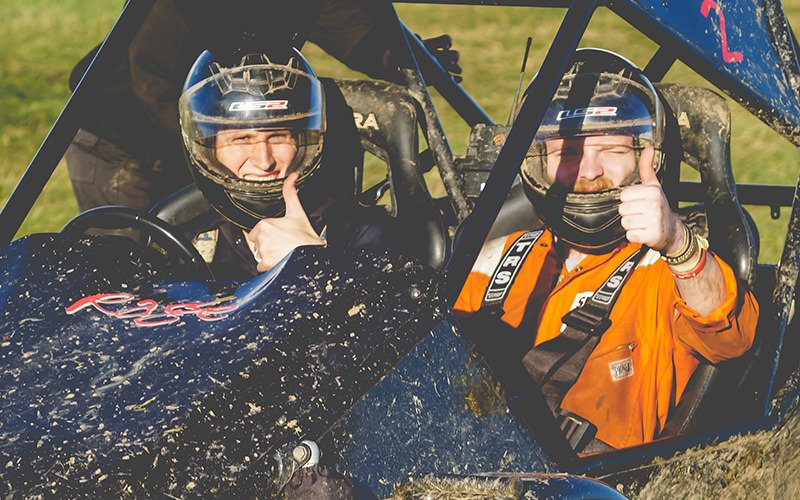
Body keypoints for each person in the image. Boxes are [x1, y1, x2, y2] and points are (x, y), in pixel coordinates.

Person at [453, 48, 759, 452]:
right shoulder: (489, 263)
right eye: (569, 151)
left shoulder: (669, 271)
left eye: (612, 150)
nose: (590, 170)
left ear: (647, 158)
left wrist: (677, 243)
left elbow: (730, 339)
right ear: (538, 161)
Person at [65, 0, 461, 214]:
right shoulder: (171, 11)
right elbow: (151, 82)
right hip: (121, 135)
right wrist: (215, 159)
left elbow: (339, 17)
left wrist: (391, 56)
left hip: (229, 133)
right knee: (134, 271)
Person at [177, 48, 407, 280]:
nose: (264, 161)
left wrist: (312, 261)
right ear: (208, 149)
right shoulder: (186, 243)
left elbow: (399, 308)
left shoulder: (365, 234)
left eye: (277, 136)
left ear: (304, 142)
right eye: (241, 139)